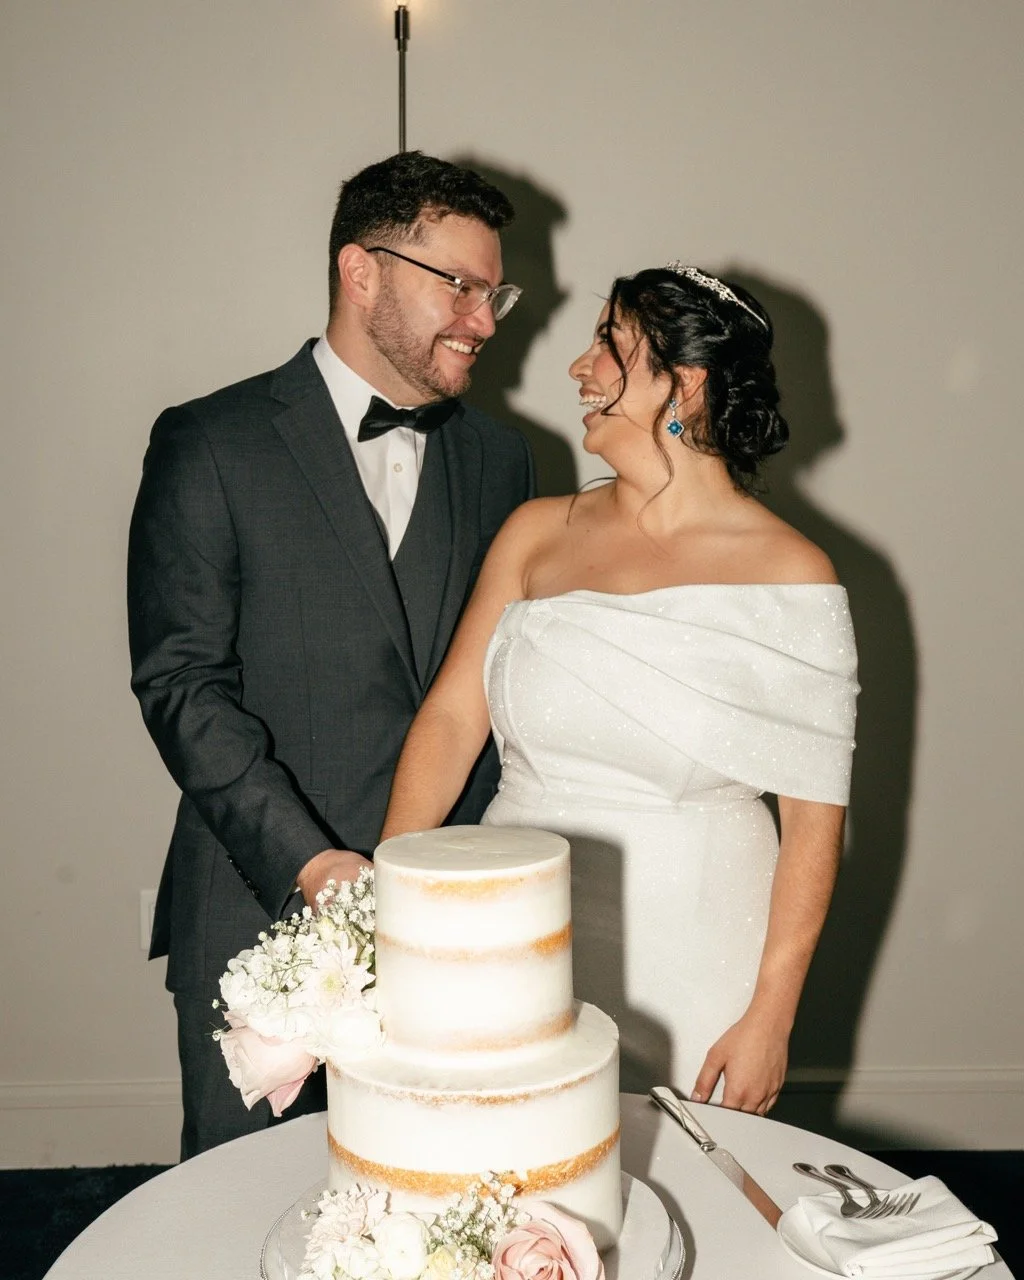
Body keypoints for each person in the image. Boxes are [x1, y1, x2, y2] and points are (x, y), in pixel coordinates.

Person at [127, 152, 534, 1158]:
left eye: (496, 294)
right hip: (256, 905)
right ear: (363, 272)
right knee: (244, 1200)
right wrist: (309, 863)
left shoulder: (505, 459)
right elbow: (181, 684)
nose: (485, 320)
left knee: (444, 1203)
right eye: (463, 288)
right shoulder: (208, 442)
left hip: (453, 912)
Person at [381, 263, 858, 1114]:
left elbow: (815, 821)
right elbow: (453, 720)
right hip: (514, 920)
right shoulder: (536, 533)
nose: (579, 367)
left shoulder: (791, 572)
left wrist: (771, 1016)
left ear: (688, 380)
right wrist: (392, 903)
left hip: (698, 933)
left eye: (608, 343)